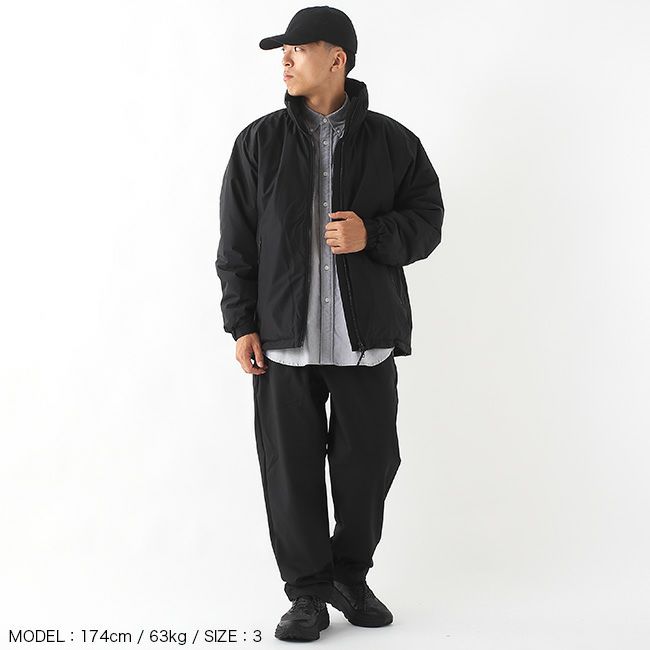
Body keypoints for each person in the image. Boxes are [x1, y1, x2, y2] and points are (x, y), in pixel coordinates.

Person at [216, 5, 444, 642]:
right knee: (290, 472)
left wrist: (374, 234)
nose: (285, 61)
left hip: (363, 340)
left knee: (369, 466)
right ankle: (307, 595)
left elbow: (428, 219)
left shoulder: (394, 142)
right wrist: (242, 324)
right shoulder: (258, 143)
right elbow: (236, 244)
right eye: (282, 52)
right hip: (283, 342)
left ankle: (349, 575)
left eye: (297, 49)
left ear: (337, 58)